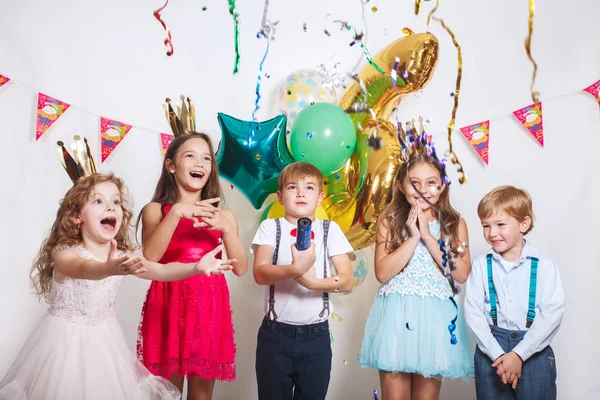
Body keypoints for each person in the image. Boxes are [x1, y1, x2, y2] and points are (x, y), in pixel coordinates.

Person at [0, 173, 234, 400]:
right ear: (75, 216)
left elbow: (161, 270)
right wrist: (108, 269)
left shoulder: (122, 256)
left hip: (105, 345)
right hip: (63, 346)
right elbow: (84, 268)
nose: (110, 207)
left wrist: (196, 267)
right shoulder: (65, 254)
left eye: (116, 202)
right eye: (98, 201)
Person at [137, 132, 248, 400]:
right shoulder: (156, 210)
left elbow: (241, 268)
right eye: (190, 156)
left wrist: (227, 230)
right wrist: (176, 212)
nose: (199, 163)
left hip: (208, 306)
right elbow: (150, 257)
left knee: (201, 394)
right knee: (166, 392)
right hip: (168, 303)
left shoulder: (224, 215)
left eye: (206, 158)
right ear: (171, 166)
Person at [358, 147, 474, 400]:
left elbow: (462, 274)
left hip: (436, 319)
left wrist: (429, 237)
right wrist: (413, 238)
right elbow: (382, 273)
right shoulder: (390, 220)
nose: (422, 190)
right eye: (414, 182)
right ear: (400, 185)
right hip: (396, 317)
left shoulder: (454, 223)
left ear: (442, 187)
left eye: (431, 183)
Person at [251, 161, 354, 400]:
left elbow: (347, 280)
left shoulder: (331, 230)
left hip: (316, 337)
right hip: (275, 336)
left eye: (309, 187)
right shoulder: (270, 228)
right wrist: (294, 268)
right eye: (292, 187)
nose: (300, 193)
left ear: (320, 197)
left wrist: (312, 283)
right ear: (280, 196)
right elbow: (260, 272)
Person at [465, 186, 565, 399]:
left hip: (534, 353)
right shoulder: (481, 265)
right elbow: (473, 313)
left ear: (524, 224)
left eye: (500, 224)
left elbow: (552, 314)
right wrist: (500, 355)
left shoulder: (545, 267)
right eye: (485, 225)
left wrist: (519, 354)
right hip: (491, 354)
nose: (492, 233)